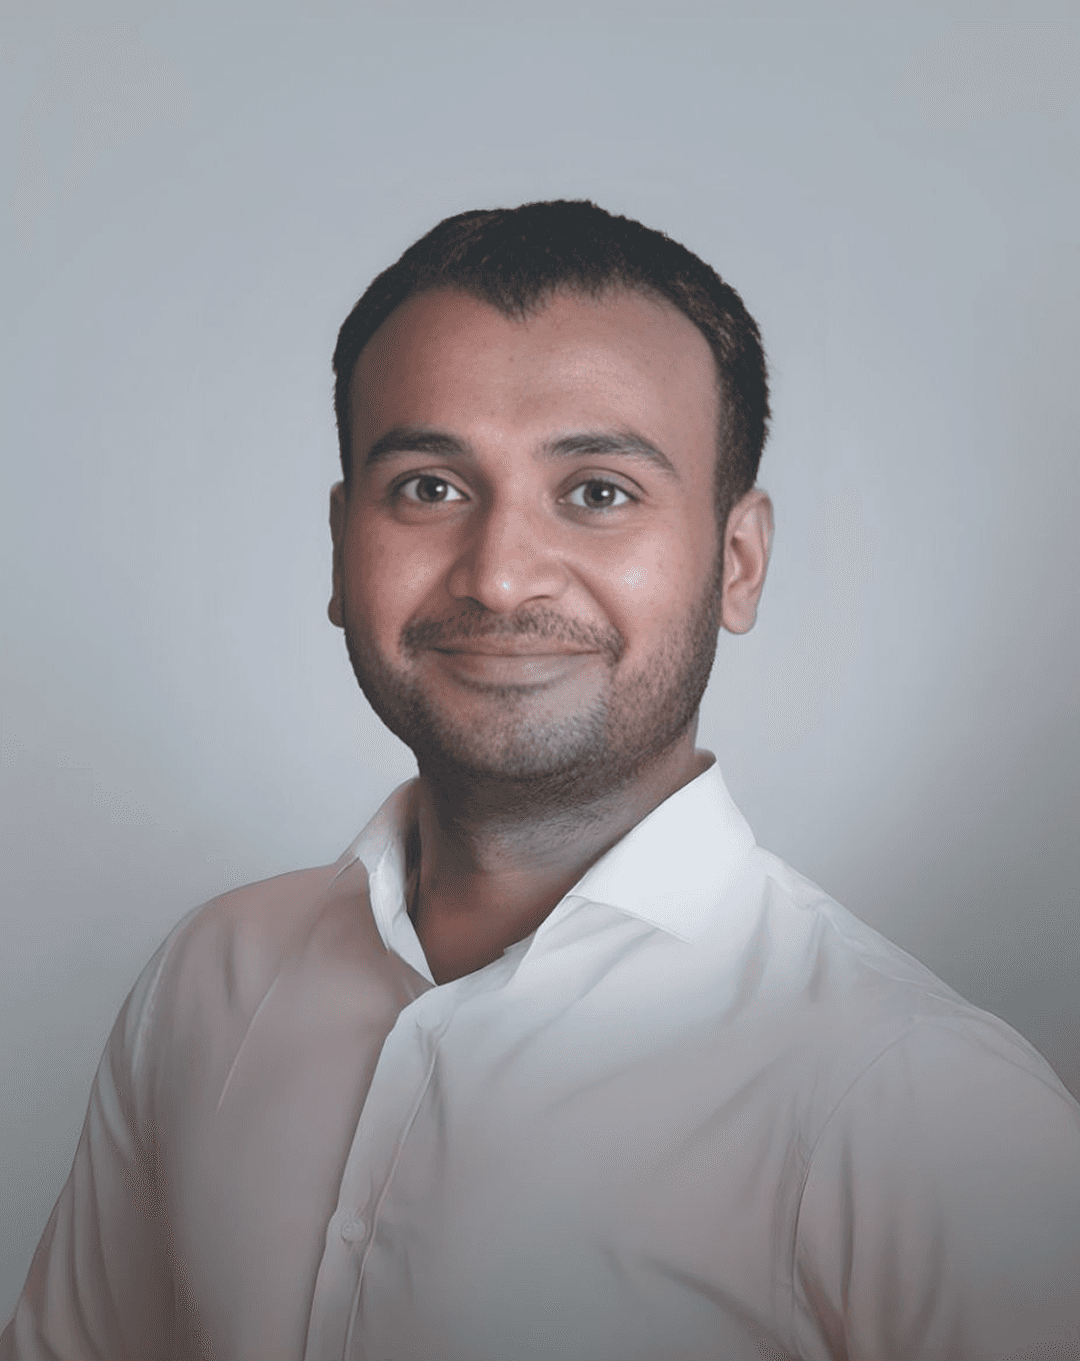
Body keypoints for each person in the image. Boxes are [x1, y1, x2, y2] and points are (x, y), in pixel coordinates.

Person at [3, 200, 1078, 1361]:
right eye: (429, 487)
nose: (502, 576)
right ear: (341, 544)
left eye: (598, 491)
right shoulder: (208, 980)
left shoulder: (927, 1105)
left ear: (737, 561)